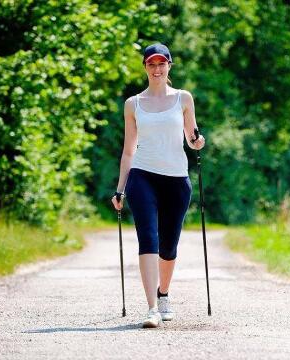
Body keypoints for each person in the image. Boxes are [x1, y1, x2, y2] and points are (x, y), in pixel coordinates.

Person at [111, 43, 205, 328]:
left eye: (161, 64)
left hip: (177, 179)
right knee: (148, 238)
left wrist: (199, 142)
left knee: (169, 245)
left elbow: (192, 137)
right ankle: (152, 307)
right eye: (151, 64)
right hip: (142, 176)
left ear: (169, 66)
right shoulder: (133, 104)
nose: (157, 69)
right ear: (145, 68)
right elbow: (129, 151)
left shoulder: (183, 99)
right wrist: (121, 189)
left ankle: (164, 294)